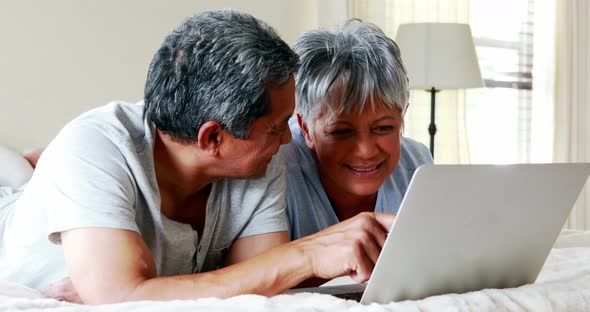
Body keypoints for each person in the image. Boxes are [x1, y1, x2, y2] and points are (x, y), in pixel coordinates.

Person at [0, 10, 394, 304]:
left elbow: (262, 284)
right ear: (212, 138)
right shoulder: (93, 146)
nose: (286, 141)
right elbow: (122, 298)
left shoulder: (259, 160)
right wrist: (306, 253)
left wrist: (135, 290)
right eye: (276, 127)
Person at [281, 20, 433, 241]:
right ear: (306, 128)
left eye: (383, 128)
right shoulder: (278, 170)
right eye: (341, 132)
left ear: (402, 116)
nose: (366, 151)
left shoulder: (416, 164)